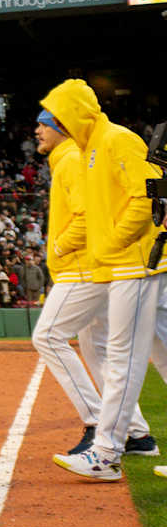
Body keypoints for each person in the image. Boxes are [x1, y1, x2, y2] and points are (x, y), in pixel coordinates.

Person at [43, 81, 167, 481]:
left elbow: (148, 197)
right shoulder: (91, 147)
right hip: (130, 264)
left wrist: (110, 246)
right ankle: (112, 448)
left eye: (59, 115)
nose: (53, 123)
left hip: (136, 263)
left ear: (76, 112)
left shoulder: (115, 140)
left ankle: (107, 453)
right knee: (157, 355)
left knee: (124, 358)